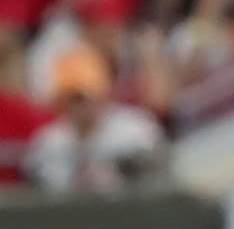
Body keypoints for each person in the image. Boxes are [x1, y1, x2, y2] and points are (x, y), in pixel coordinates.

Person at [23, 45, 167, 190]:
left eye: (95, 94)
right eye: (78, 98)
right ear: (63, 102)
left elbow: (154, 184)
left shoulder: (136, 129)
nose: (89, 104)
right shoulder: (49, 143)